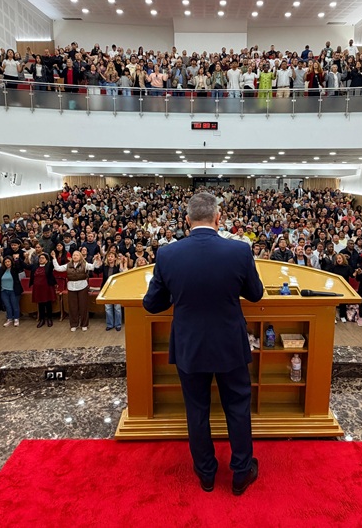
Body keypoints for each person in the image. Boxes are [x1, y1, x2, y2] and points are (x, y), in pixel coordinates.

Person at [142, 192, 264, 496]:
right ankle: (240, 473)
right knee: (237, 407)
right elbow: (256, 294)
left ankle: (206, 474)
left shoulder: (168, 254)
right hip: (229, 345)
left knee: (196, 410)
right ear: (218, 218)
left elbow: (151, 305)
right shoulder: (239, 251)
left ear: (186, 220)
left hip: (189, 345)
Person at [29, 252, 57, 328]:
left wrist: (54, 257)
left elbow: (54, 264)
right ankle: (42, 319)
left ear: (47, 260)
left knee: (48, 304)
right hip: (38, 288)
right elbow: (26, 266)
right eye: (40, 258)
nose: (40, 259)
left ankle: (49, 319)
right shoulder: (35, 266)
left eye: (42, 258)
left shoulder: (49, 266)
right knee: (40, 304)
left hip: (47, 288)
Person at [0, 255, 23, 327]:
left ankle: (16, 318)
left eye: (8, 261)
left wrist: (17, 259)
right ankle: (9, 318)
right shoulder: (1, 270)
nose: (7, 263)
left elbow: (20, 266)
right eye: (5, 262)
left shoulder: (15, 269)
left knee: (15, 305)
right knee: (7, 306)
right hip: (4, 291)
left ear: (11, 262)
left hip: (13, 290)